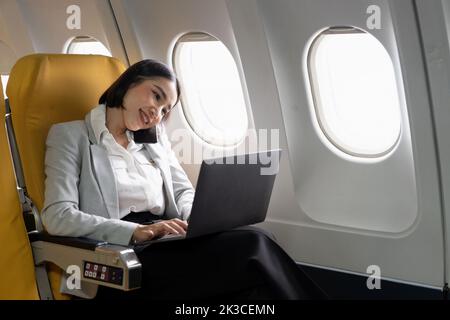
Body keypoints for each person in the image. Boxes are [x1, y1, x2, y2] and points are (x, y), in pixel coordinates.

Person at [42, 59, 326, 300]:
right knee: (251, 247)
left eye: (166, 110)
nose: (158, 113)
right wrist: (132, 231)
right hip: (119, 259)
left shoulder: (153, 140)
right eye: (156, 96)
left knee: (258, 242)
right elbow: (57, 216)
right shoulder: (71, 136)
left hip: (164, 240)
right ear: (128, 83)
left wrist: (198, 220)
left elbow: (182, 192)